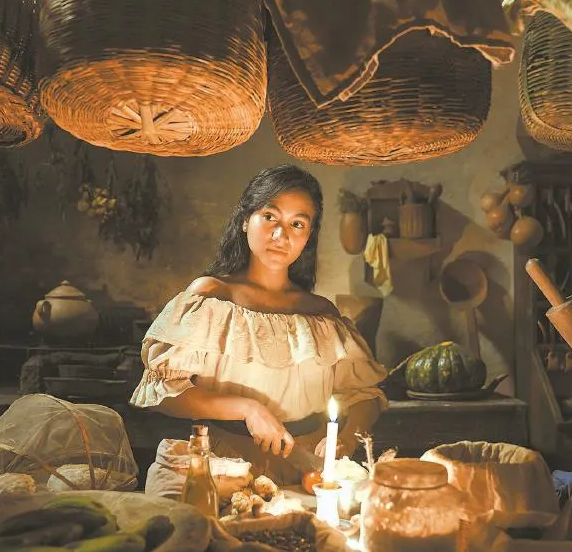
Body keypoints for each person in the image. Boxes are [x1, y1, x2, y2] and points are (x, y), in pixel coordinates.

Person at [130, 164, 387, 485]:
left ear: (308, 236)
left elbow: (363, 395)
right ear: (244, 220)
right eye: (270, 217)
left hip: (311, 471)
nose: (281, 235)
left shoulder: (322, 315)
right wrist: (248, 409)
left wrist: (348, 438)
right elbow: (164, 393)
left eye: (297, 223)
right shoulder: (210, 297)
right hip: (225, 466)